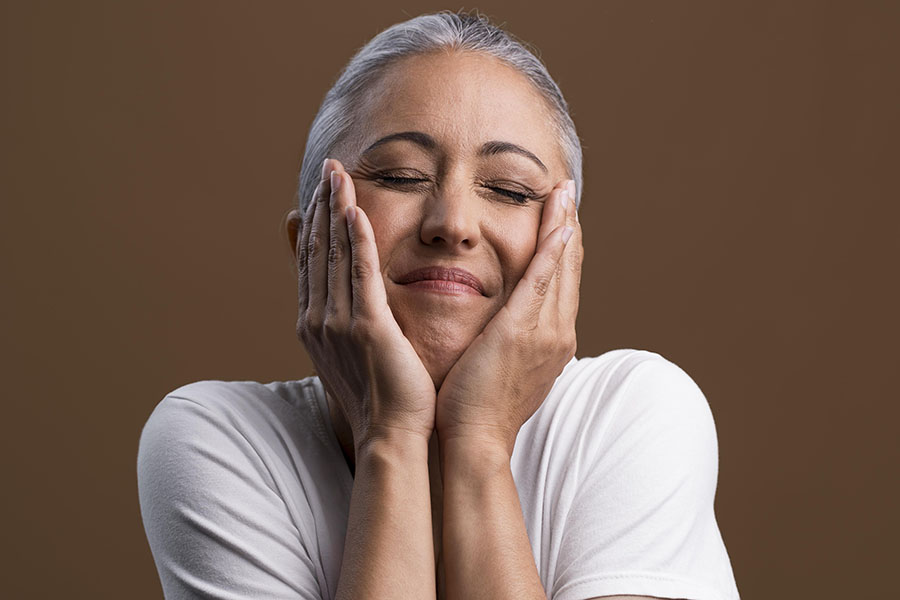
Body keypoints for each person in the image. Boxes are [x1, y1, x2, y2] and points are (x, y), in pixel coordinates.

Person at [137, 11, 740, 600]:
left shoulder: (634, 413)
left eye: (508, 189)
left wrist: (477, 440)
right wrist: (390, 434)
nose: (452, 224)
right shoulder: (217, 439)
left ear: (567, 246)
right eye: (401, 177)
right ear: (311, 246)